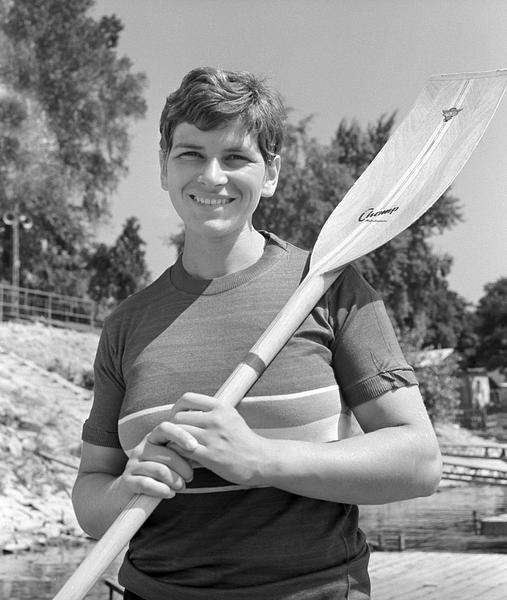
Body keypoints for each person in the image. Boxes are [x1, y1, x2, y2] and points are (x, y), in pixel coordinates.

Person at [72, 67, 442, 600]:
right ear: (164, 167)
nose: (212, 176)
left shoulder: (327, 287)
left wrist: (262, 459)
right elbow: (90, 493)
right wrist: (126, 489)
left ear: (270, 174)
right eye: (191, 154)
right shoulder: (126, 325)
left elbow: (420, 462)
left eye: (236, 157)